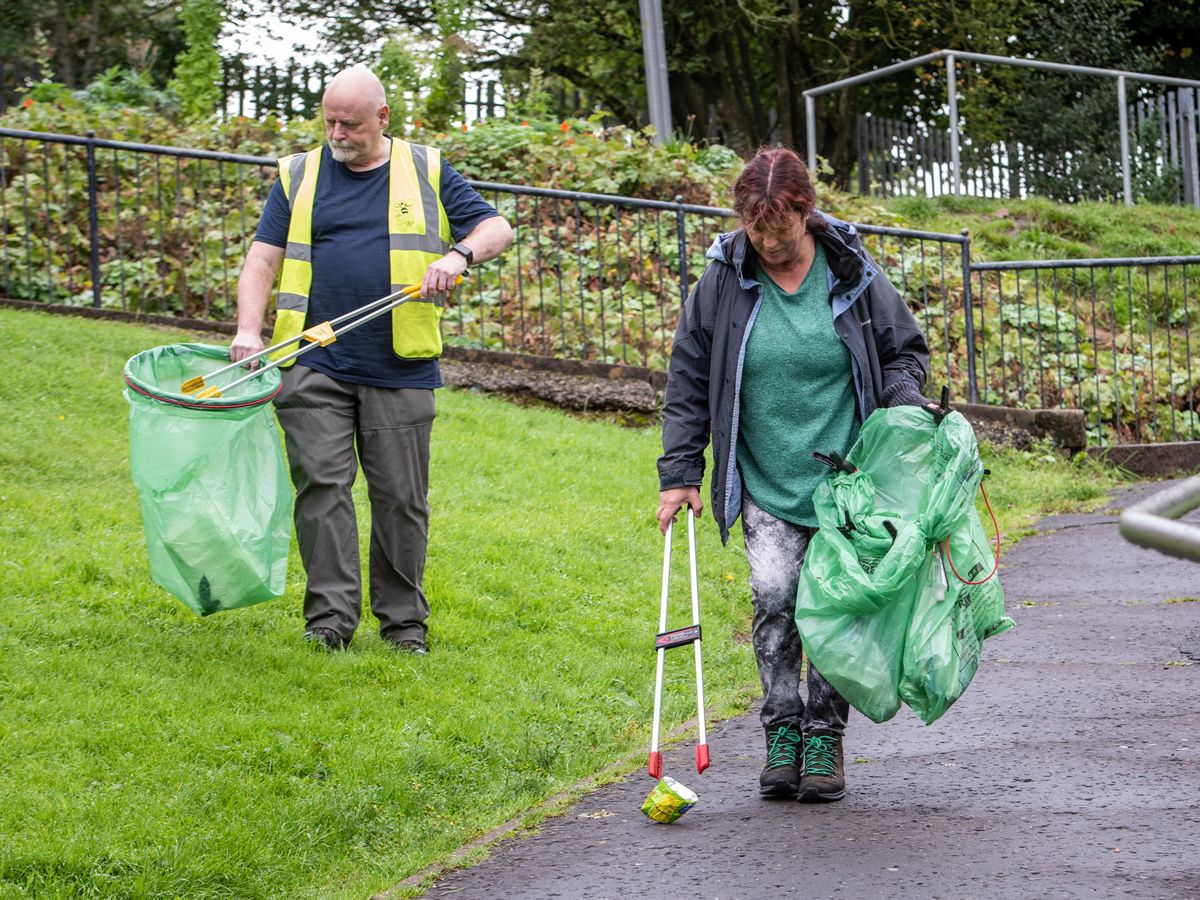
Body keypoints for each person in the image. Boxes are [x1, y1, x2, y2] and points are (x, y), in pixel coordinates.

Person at [655, 146, 936, 803]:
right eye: (757, 231)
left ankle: (824, 738)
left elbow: (903, 350)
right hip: (765, 478)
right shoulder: (723, 277)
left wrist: (903, 401)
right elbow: (689, 377)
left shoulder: (849, 269)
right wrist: (680, 472)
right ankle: (782, 730)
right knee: (776, 603)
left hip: (845, 480)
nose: (769, 244)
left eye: (779, 231)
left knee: (834, 610)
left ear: (805, 214)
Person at [231, 67, 513, 653]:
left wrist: (460, 255)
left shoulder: (427, 168)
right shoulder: (298, 174)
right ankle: (329, 622)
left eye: (351, 124)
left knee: (401, 501)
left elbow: (497, 228)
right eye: (330, 121)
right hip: (310, 361)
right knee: (322, 492)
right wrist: (247, 332)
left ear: (383, 118)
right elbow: (262, 260)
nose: (338, 133)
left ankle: (404, 624)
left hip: (399, 365)